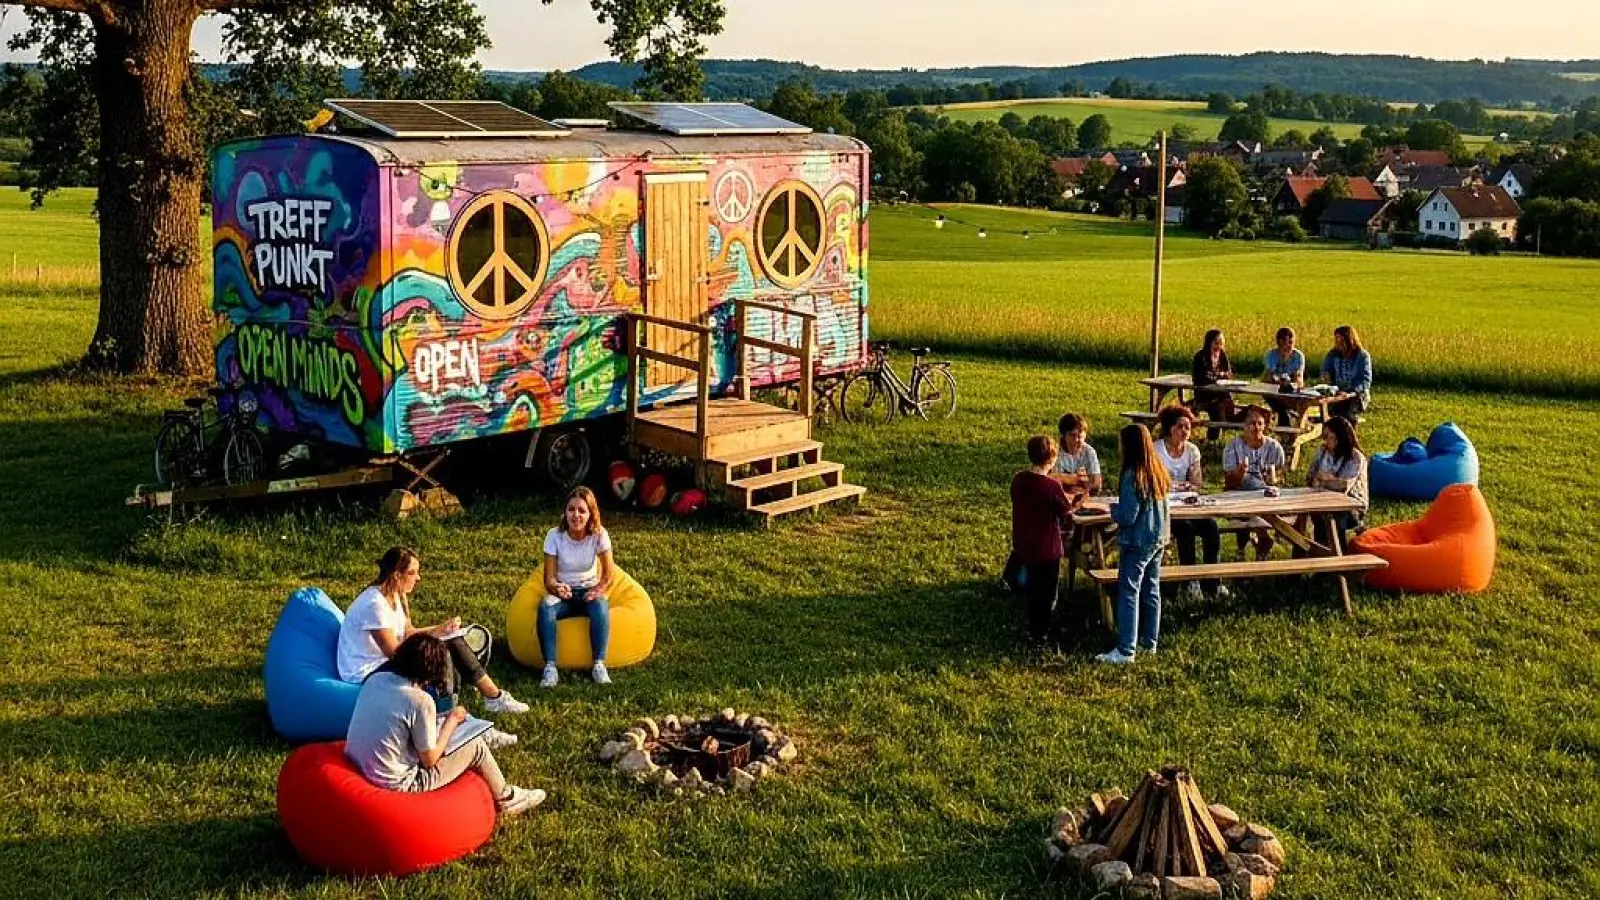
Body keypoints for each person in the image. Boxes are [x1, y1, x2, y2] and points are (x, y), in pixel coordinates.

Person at [345, 633, 545, 816]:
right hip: (397, 783)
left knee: (437, 729)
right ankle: (507, 797)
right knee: (476, 745)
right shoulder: (419, 701)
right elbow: (430, 760)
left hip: (359, 764)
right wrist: (453, 720)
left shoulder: (376, 679)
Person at [337, 548, 529, 732]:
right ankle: (450, 718)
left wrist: (440, 629)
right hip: (366, 671)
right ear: (397, 575)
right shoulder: (374, 605)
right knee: (439, 652)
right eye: (413, 573)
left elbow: (408, 633)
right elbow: (395, 654)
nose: (418, 578)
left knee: (452, 640)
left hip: (383, 661)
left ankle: (493, 697)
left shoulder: (396, 594)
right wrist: (432, 645)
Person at [1097, 423, 1171, 665]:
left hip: (1138, 540)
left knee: (1129, 592)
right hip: (1158, 537)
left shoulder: (1132, 474)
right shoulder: (1157, 469)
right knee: (1151, 590)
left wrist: (1111, 509)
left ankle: (1126, 650)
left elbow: (1128, 515)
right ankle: (1150, 642)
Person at [539, 487, 616, 688]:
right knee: (546, 606)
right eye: (571, 509)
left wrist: (598, 590)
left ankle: (599, 664)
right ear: (565, 512)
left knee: (601, 607)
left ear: (591, 514)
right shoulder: (554, 536)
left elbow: (609, 575)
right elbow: (549, 579)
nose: (576, 515)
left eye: (582, 511)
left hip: (589, 592)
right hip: (564, 593)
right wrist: (557, 588)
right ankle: (550, 667)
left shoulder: (599, 535)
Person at [1155, 405, 1228, 601]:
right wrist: (1180, 486)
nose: (1185, 431)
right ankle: (1189, 582)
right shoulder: (1157, 450)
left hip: (1188, 504)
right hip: (1165, 509)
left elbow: (1196, 483)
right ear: (1170, 428)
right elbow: (1158, 484)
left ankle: (1213, 582)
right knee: (1185, 530)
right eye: (1180, 426)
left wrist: (1180, 486)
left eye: (1188, 427)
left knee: (1211, 528)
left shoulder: (1192, 451)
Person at [1010, 435, 1074, 648]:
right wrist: (1080, 500)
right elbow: (1066, 512)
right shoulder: (1051, 486)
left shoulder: (1018, 479)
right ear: (1053, 458)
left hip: (1024, 542)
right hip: (1047, 548)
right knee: (1047, 593)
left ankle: (1033, 627)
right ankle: (1041, 633)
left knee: (1033, 589)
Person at [1223, 406, 1287, 560]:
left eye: (1259, 423)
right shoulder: (1233, 446)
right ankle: (1261, 539)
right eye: (1251, 423)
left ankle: (1246, 550)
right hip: (1238, 493)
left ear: (1264, 425)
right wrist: (1240, 473)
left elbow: (1279, 478)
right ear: (1244, 426)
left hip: (1266, 497)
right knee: (1246, 486)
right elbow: (1229, 482)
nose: (1256, 427)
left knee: (1259, 495)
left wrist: (1273, 480)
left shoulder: (1274, 447)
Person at [1306, 415, 1369, 548]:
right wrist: (1319, 479)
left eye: (1328, 436)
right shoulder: (1322, 452)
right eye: (1324, 437)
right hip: (1323, 500)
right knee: (1314, 516)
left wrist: (1325, 480)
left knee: (1335, 516)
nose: (1326, 441)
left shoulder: (1355, 458)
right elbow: (1311, 477)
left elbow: (1344, 486)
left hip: (1352, 507)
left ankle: (1338, 554)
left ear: (1340, 437)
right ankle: (1317, 554)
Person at [1190, 328, 1239, 440]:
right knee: (1217, 408)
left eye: (1221, 344)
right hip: (1204, 394)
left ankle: (1229, 424)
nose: (1219, 346)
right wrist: (1219, 376)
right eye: (1216, 343)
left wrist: (1223, 376)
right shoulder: (1200, 357)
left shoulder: (1222, 355)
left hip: (1220, 393)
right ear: (1209, 343)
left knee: (1227, 404)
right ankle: (1213, 439)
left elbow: (1229, 373)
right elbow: (1202, 378)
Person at [1320, 325, 1373, 422]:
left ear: (1350, 340)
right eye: (1337, 341)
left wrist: (1351, 392)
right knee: (1325, 409)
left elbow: (1365, 381)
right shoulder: (1332, 354)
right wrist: (1326, 376)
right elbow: (1325, 370)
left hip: (1357, 396)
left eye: (1341, 341)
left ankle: (1348, 432)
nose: (1338, 344)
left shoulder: (1362, 356)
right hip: (1337, 394)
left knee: (1346, 412)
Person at [1262, 326, 1306, 427]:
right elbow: (1267, 375)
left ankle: (1288, 422)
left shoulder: (1298, 356)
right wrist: (1275, 379)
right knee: (1281, 407)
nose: (1288, 346)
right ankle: (1286, 423)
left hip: (1291, 389)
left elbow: (1298, 377)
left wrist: (1292, 382)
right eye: (1285, 343)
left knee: (1287, 403)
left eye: (1291, 342)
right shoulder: (1271, 355)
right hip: (1273, 390)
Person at [1052, 413, 1103, 497]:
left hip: (1084, 496)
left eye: (1079, 436)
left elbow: (1096, 482)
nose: (1076, 440)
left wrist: (1071, 481)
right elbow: (1054, 481)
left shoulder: (1089, 452)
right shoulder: (1055, 452)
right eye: (1072, 435)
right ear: (1064, 435)